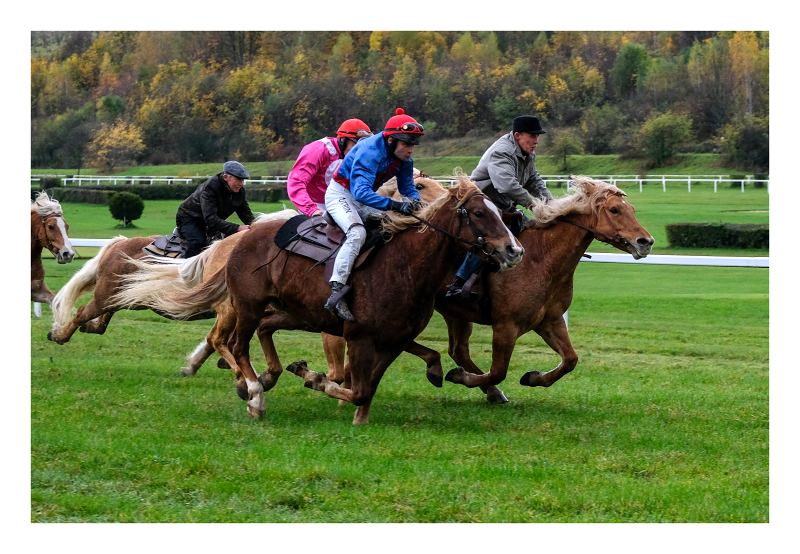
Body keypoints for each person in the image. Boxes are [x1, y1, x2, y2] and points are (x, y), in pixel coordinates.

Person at [323, 107, 425, 321]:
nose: (410, 150)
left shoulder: (405, 160)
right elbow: (360, 193)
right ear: (391, 141)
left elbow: (407, 188)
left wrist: (417, 203)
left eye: (413, 145)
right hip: (341, 194)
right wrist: (396, 206)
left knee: (394, 224)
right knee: (357, 233)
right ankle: (337, 289)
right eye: (407, 144)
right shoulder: (370, 151)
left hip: (364, 196)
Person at [445, 115, 552, 298]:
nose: (536, 141)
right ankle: (458, 284)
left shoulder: (527, 152)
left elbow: (534, 179)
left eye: (537, 136)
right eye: (532, 136)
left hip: (502, 206)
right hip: (482, 207)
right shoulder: (503, 151)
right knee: (486, 240)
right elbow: (507, 185)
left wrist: (551, 203)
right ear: (518, 135)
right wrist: (533, 204)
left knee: (528, 231)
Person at [287, 119, 373, 217]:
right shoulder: (318, 149)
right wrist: (311, 210)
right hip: (315, 210)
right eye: (356, 146)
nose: (360, 152)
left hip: (345, 207)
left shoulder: (361, 158)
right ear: (343, 140)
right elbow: (296, 181)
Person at [176, 160, 255, 257]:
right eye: (238, 179)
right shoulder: (210, 188)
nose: (241, 184)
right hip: (188, 218)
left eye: (243, 180)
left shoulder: (239, 191)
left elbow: (246, 215)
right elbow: (210, 219)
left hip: (210, 222)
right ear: (226, 177)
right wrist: (238, 228)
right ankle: (184, 271)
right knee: (197, 243)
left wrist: (257, 226)